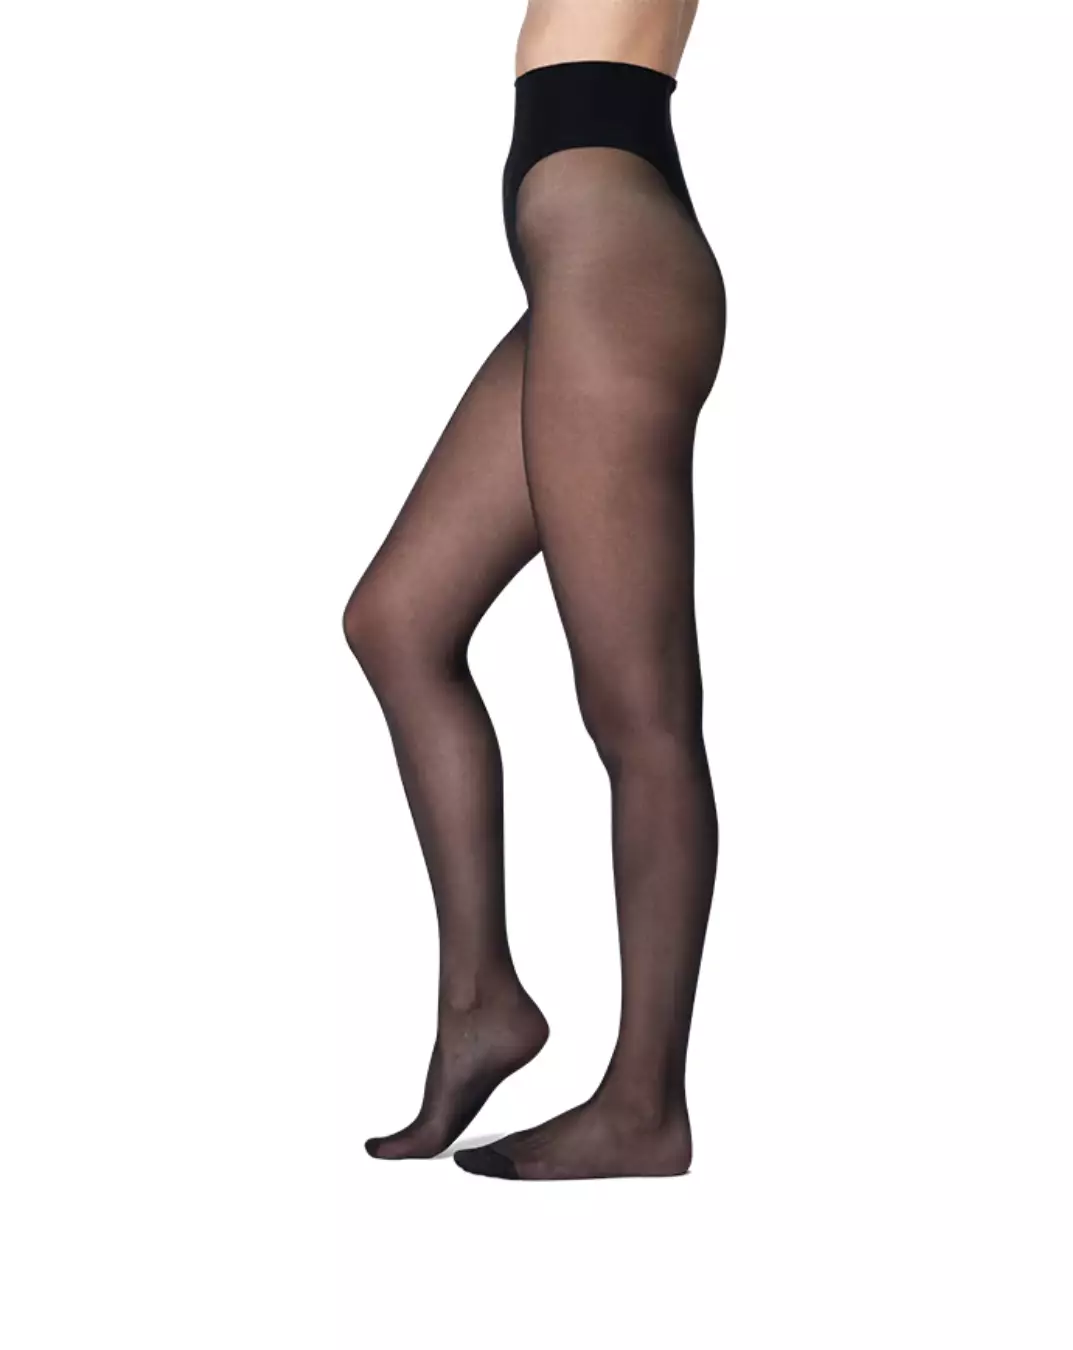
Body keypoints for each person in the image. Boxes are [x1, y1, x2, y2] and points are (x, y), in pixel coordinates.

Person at [343, 0, 725, 1180]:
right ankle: (482, 1005)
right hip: (583, 266)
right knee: (396, 621)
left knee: (638, 713)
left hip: (614, 267)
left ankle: (644, 1104)